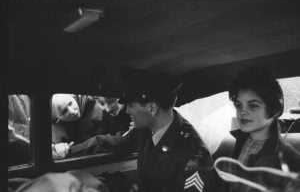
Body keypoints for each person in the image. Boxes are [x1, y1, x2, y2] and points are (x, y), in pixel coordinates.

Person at [69, 67, 213, 192]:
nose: (127, 111)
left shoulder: (194, 154)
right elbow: (112, 141)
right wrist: (68, 150)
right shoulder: (145, 129)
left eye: (131, 105)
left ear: (151, 108)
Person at [221, 66, 300, 192]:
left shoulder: (291, 160)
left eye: (253, 106)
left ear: (274, 110)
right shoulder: (238, 142)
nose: (242, 112)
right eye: (238, 105)